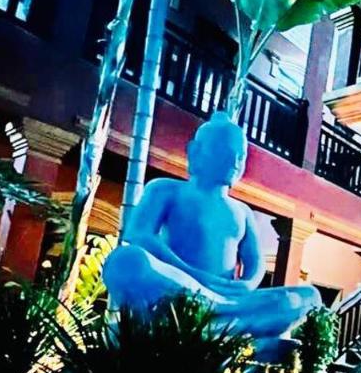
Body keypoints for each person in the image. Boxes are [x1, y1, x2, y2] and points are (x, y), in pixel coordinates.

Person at [103, 112, 322, 355]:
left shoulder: (242, 211)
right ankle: (229, 331)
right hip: (180, 287)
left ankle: (207, 328)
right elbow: (139, 235)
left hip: (228, 297)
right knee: (125, 260)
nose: (235, 161)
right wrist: (195, 276)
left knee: (309, 297)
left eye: (241, 156)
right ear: (195, 152)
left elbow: (255, 263)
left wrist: (246, 285)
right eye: (225, 152)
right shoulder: (166, 190)